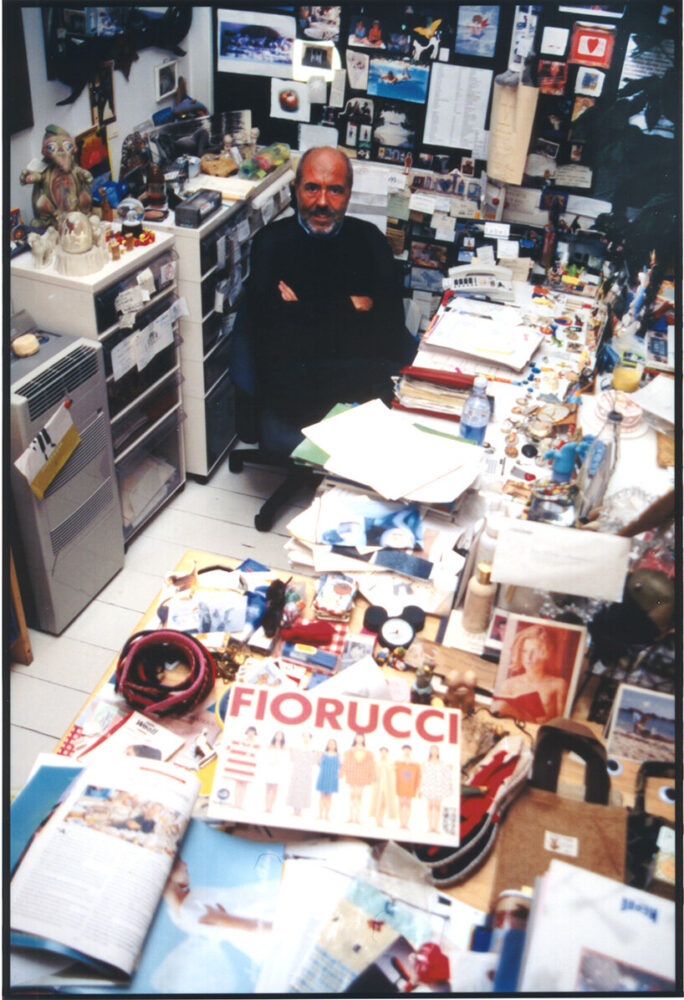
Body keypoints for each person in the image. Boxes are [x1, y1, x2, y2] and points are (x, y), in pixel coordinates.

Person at [239, 146, 415, 454]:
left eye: (335, 190)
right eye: (312, 188)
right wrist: (349, 306)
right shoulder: (271, 243)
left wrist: (302, 310)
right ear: (296, 190)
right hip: (298, 393)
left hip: (360, 387)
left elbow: (389, 329)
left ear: (348, 194)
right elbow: (275, 339)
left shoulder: (371, 241)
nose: (322, 202)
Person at [491, 624, 568, 723]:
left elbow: (562, 723)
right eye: (524, 651)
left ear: (546, 653)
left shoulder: (558, 685)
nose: (528, 658)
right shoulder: (508, 684)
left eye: (535, 652)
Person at [340, 731, 376, 823]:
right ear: (355, 738)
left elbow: (371, 765)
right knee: (352, 795)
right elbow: (345, 762)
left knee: (359, 796)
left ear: (363, 739)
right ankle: (351, 817)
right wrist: (342, 773)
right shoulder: (350, 751)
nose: (359, 739)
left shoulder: (368, 752)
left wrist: (373, 777)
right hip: (352, 774)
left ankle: (357, 818)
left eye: (361, 737)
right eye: (358, 737)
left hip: (362, 775)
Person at [419, 745, 454, 834]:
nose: (434, 752)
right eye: (432, 750)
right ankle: (430, 827)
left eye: (436, 750)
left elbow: (447, 773)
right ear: (430, 751)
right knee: (430, 806)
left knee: (437, 806)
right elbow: (422, 776)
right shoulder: (426, 763)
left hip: (439, 786)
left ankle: (435, 827)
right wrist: (420, 789)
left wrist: (450, 767)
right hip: (429, 786)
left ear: (438, 752)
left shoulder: (442, 763)